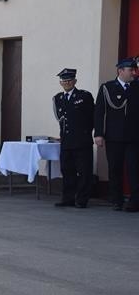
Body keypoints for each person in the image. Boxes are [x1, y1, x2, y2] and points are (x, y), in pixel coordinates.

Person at [94, 58, 139, 212]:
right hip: (114, 137)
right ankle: (116, 199)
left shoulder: (137, 86)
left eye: (135, 70)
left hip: (134, 137)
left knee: (134, 169)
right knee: (115, 168)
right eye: (130, 70)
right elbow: (99, 112)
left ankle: (135, 201)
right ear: (120, 71)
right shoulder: (107, 88)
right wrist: (99, 134)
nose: (134, 73)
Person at [52, 68, 94, 208]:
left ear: (75, 81)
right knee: (67, 170)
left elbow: (92, 117)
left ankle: (81, 199)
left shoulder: (84, 96)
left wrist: (88, 133)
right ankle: (68, 198)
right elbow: (61, 119)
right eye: (64, 81)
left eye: (69, 80)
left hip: (82, 140)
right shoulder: (58, 98)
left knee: (84, 171)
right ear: (60, 83)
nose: (66, 83)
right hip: (66, 141)